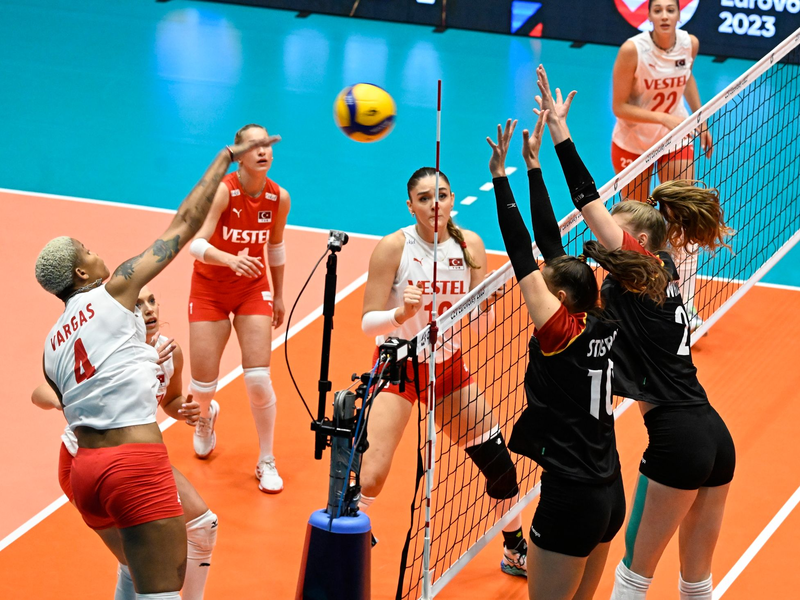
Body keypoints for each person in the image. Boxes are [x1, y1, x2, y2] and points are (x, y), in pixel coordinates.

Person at [35, 134, 279, 599]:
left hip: (84, 471)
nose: (96, 252)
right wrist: (226, 159)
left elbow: (70, 399)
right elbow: (185, 223)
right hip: (133, 465)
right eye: (87, 250)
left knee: (134, 571)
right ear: (81, 273)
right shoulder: (115, 291)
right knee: (163, 591)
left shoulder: (52, 344)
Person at [538, 65, 735, 600]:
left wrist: (560, 133)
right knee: (697, 583)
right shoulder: (665, 271)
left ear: (639, 241)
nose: (608, 233)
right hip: (713, 431)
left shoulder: (643, 268)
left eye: (619, 229)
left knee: (632, 577)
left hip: (677, 439)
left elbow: (586, 201)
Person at [489, 111, 660, 599]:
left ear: (560, 299)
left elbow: (523, 253)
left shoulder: (559, 331)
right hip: (609, 488)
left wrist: (500, 178)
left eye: (545, 287)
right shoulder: (598, 314)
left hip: (570, 495)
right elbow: (549, 246)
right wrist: (533, 168)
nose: (537, 286)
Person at [359, 166, 527, 576]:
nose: (435, 204)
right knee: (370, 479)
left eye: (442, 195)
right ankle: (346, 539)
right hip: (398, 369)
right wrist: (400, 314)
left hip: (449, 371)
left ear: (452, 199)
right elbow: (367, 322)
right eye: (424, 198)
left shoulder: (470, 245)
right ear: (410, 205)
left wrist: (485, 305)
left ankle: (515, 549)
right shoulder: (393, 247)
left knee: (501, 468)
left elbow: (479, 326)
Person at [187, 123, 290, 494]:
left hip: (252, 289)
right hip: (210, 288)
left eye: (267, 144)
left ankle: (267, 460)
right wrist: (229, 259)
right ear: (239, 156)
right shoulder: (223, 191)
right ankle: (205, 416)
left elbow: (275, 247)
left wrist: (279, 295)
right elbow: (196, 244)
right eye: (253, 146)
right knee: (202, 388)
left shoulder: (279, 198)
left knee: (258, 379)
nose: (262, 151)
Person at [611, 0, 713, 330]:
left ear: (679, 14)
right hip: (634, 143)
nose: (665, 16)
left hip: (675, 138)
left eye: (671, 9)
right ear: (650, 15)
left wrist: (699, 118)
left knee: (683, 219)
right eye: (658, 10)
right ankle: (635, 298)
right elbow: (619, 106)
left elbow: (686, 77)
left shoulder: (689, 43)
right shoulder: (632, 50)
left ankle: (685, 303)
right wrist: (662, 118)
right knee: (637, 224)